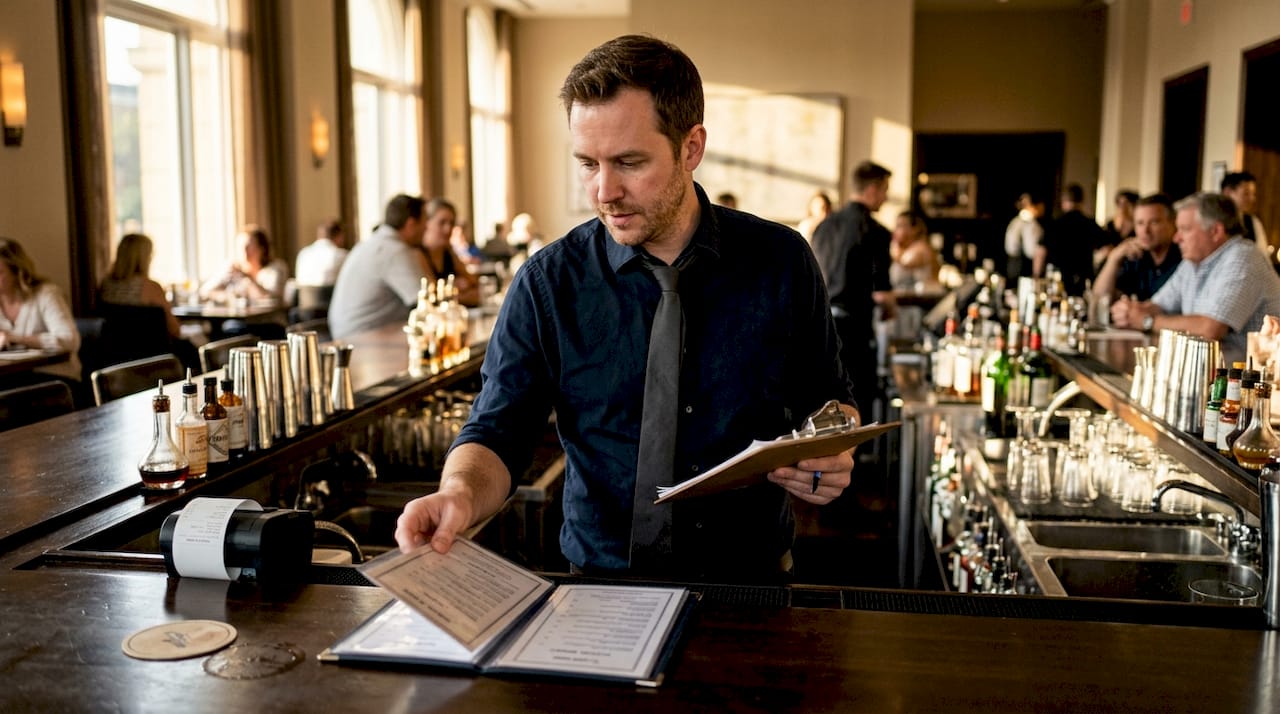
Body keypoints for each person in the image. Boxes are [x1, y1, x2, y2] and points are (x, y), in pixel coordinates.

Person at [395, 34, 857, 582]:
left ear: (691, 147)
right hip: (597, 583)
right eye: (587, 163)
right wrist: (460, 495)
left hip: (751, 582)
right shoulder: (547, 283)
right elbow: (498, 431)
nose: (604, 191)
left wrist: (831, 452)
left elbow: (829, 400)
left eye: (629, 162)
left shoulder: (782, 261)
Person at [1111, 193, 1280, 365]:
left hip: (1244, 384)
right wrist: (1130, 310)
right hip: (1205, 374)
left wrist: (1147, 321)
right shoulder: (1193, 262)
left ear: (1215, 231)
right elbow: (1158, 305)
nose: (1177, 238)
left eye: (1185, 229)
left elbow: (1210, 329)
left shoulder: (1243, 257)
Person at [811, 160, 896, 419]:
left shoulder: (823, 227)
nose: (886, 197)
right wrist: (890, 310)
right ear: (871, 190)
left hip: (819, 329)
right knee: (855, 409)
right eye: (884, 190)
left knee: (822, 411)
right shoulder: (875, 232)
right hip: (854, 331)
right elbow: (882, 293)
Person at [328, 194, 431, 338]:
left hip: (346, 335)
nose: (427, 227)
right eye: (425, 222)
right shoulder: (396, 251)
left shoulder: (371, 243)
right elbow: (426, 303)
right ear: (411, 224)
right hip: (365, 339)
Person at [0, 238, 81, 385]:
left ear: (17, 271)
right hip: (14, 377)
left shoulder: (46, 294)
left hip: (55, 378)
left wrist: (14, 338)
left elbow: (70, 341)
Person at [1092, 193, 1181, 302]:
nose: (1145, 231)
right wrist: (1114, 258)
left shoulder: (1185, 258)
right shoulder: (1135, 256)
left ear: (1173, 223)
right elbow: (1099, 299)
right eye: (1140, 223)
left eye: (1154, 222)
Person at [100, 233, 183, 340]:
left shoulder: (106, 285)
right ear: (144, 258)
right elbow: (175, 330)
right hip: (153, 351)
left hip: (114, 350)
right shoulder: (151, 287)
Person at [1035, 183, 1106, 295]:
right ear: (1082, 201)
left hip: (1056, 282)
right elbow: (1106, 249)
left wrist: (1037, 278)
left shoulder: (1054, 225)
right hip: (1083, 280)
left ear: (1063, 202)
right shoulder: (1091, 225)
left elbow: (1040, 253)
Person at [200, 227, 289, 303]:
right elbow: (204, 291)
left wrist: (247, 278)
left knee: (233, 324)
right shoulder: (232, 268)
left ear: (262, 249)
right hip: (239, 318)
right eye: (239, 246)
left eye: (248, 246)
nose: (243, 251)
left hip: (268, 320)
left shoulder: (276, 268)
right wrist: (228, 297)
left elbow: (270, 299)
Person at [419, 198, 479, 306]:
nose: (448, 229)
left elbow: (476, 287)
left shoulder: (449, 253)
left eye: (451, 223)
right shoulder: (418, 253)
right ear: (427, 223)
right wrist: (454, 290)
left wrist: (451, 292)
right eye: (442, 223)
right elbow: (433, 297)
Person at [1221, 171, 1271, 260]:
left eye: (1253, 194)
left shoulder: (1253, 222)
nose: (1252, 199)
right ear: (1228, 193)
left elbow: (1264, 257)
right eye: (1246, 193)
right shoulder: (1212, 221)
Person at [889, 210, 941, 291]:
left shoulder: (921, 248)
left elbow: (906, 263)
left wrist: (894, 244)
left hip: (925, 298)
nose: (895, 230)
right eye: (896, 226)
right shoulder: (906, 249)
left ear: (915, 229)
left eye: (901, 226)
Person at [294, 219, 349, 288]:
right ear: (339, 236)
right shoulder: (340, 255)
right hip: (331, 297)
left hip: (305, 298)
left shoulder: (303, 253)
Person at [1004, 193, 1043, 283]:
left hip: (1029, 265)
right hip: (1015, 263)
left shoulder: (1036, 225)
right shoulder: (1015, 222)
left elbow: (1032, 250)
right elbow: (1010, 246)